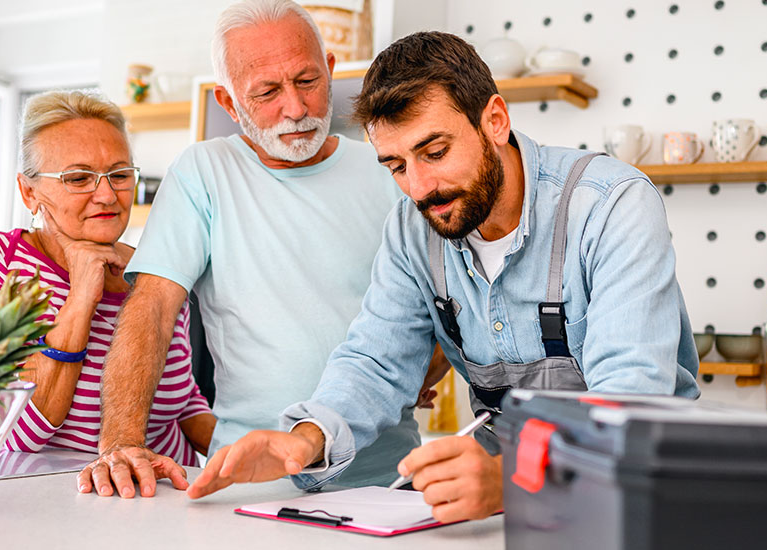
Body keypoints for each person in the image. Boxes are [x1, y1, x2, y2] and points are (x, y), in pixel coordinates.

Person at [185, 32, 701, 522]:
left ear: (494, 120)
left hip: (639, 497)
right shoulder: (413, 230)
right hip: (503, 510)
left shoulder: (612, 207)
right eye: (396, 166)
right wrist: (306, 439)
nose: (420, 187)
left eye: (435, 152)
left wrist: (512, 482)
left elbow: (628, 399)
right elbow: (375, 361)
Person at [77, 0, 447, 498]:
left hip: (388, 479)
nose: (295, 109)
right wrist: (121, 442)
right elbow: (153, 308)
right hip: (252, 483)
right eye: (267, 92)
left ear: (331, 72)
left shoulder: (390, 169)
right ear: (228, 103)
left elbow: (449, 299)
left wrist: (416, 371)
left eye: (308, 81)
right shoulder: (203, 172)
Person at [0, 91, 213, 485]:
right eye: (78, 178)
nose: (107, 195)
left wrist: (250, 454)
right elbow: (16, 434)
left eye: (120, 175)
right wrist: (81, 298)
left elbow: (185, 399)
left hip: (166, 491)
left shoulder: (155, 268)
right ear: (29, 192)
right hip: (54, 499)